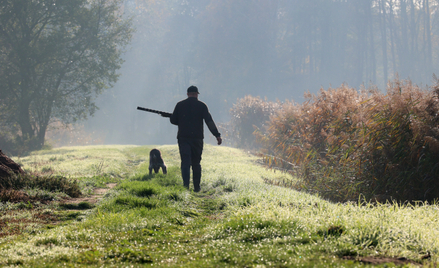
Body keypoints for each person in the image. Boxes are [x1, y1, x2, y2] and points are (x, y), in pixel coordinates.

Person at [169, 85, 222, 192]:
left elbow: (173, 120)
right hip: (197, 138)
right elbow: (209, 121)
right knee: (196, 163)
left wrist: (177, 118)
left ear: (187, 94)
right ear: (197, 94)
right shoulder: (202, 106)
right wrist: (217, 135)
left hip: (183, 138)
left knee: (185, 162)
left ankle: (185, 186)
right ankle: (197, 187)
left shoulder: (180, 105)